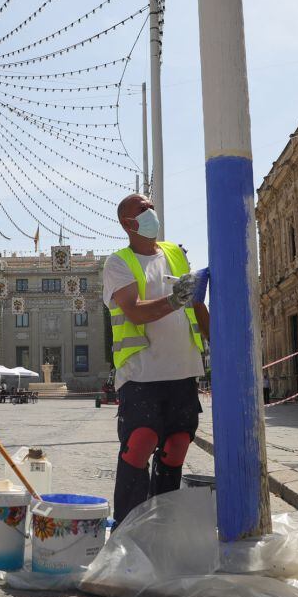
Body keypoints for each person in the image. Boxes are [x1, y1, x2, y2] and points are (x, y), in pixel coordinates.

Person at [104, 193, 209, 527]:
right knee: (140, 443)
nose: (151, 212)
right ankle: (128, 527)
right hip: (141, 373)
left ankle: (162, 524)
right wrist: (174, 300)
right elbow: (133, 310)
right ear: (128, 223)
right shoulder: (118, 262)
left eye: (151, 206)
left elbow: (195, 303)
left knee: (177, 445)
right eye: (142, 209)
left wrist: (217, 339)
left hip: (182, 369)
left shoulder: (175, 254)